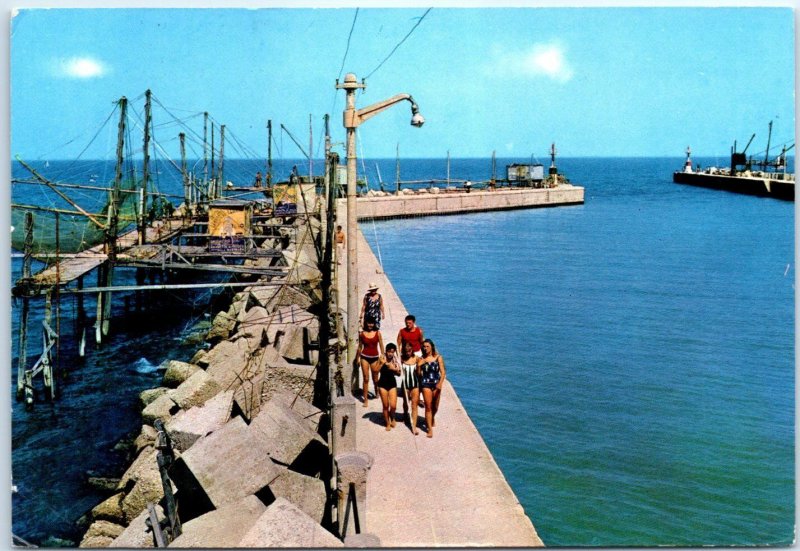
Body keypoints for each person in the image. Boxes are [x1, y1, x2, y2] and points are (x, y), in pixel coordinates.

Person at [418, 339, 446, 438]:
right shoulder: (421, 358)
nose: (425, 348)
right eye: (424, 347)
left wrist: (440, 383)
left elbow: (443, 372)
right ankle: (429, 429)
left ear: (432, 347)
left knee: (435, 407)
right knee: (428, 407)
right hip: (426, 384)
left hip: (436, 384)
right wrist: (418, 366)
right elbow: (419, 374)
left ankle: (432, 418)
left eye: (427, 346)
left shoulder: (438, 358)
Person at [357, 317, 384, 407]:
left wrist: (382, 355)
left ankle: (377, 391)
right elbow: (360, 347)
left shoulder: (378, 333)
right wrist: (357, 358)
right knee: (366, 378)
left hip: (375, 358)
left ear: (374, 324)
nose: (370, 325)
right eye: (369, 323)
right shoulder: (362, 334)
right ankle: (365, 399)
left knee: (375, 378)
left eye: (372, 323)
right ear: (366, 323)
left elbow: (381, 344)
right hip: (364, 357)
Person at [374, 343, 401, 431]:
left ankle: (392, 416)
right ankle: (387, 422)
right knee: (385, 405)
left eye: (392, 352)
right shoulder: (381, 358)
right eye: (389, 351)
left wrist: (393, 369)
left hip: (392, 383)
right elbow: (375, 371)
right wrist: (382, 364)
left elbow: (399, 373)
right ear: (386, 351)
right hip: (382, 384)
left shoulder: (395, 359)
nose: (390, 354)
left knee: (393, 406)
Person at [399, 341, 421, 435]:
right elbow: (399, 372)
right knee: (406, 403)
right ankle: (405, 416)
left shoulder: (416, 358)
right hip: (405, 384)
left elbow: (419, 373)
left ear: (412, 350)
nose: (408, 353)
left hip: (415, 384)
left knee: (414, 406)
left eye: (409, 351)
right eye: (406, 351)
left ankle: (414, 426)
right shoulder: (401, 359)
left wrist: (419, 366)